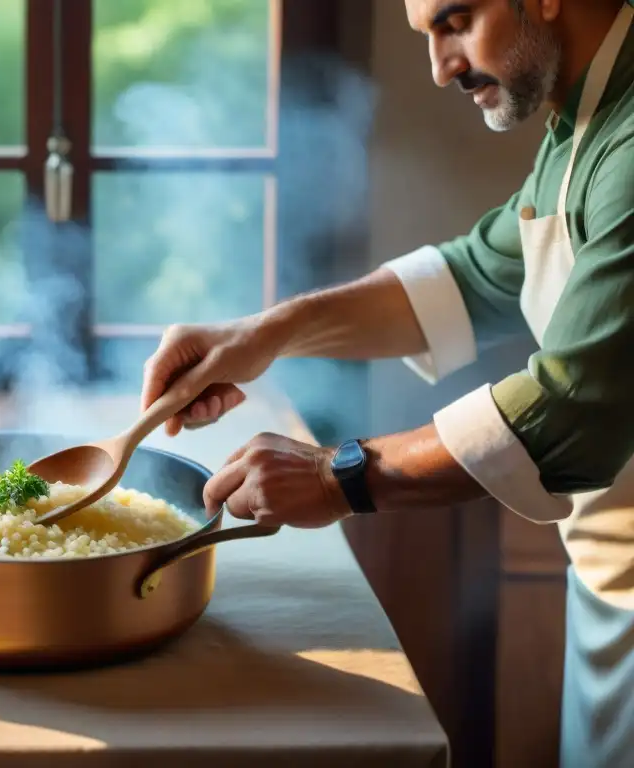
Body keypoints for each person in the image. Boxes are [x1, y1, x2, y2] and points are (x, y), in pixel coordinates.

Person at [140, 1, 634, 765]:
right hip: (608, 593)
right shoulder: (587, 122)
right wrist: (264, 333)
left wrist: (340, 477)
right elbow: (473, 277)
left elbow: (572, 411)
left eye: (455, 20)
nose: (441, 67)